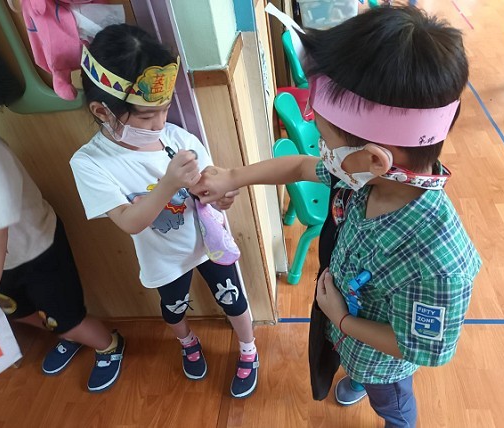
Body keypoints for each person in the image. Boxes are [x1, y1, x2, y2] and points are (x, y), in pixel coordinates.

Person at [193, 6, 481, 426]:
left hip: (381, 362)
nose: (321, 149)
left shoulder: (438, 264)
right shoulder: (361, 175)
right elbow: (298, 167)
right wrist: (232, 177)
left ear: (376, 159)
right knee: (353, 366)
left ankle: (385, 403)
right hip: (346, 329)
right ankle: (357, 376)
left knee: (393, 406)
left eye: (324, 138)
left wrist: (342, 319)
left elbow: (423, 348)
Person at [69, 24, 259, 399]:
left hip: (209, 244)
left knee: (233, 299)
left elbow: (207, 189)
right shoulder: (90, 163)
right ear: (102, 111)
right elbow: (129, 222)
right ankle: (187, 342)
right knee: (173, 310)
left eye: (165, 109)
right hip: (164, 258)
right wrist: (169, 184)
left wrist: (219, 197)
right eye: (145, 117)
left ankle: (249, 349)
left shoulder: (176, 138)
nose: (159, 124)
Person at [0, 18, 124, 394]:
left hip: (35, 251)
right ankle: (66, 333)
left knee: (69, 318)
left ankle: (108, 344)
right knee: (22, 311)